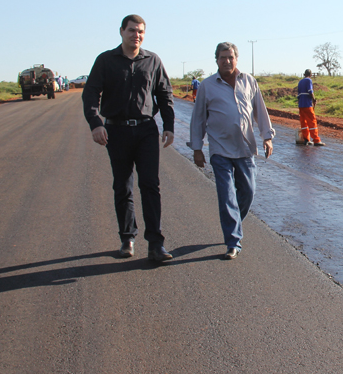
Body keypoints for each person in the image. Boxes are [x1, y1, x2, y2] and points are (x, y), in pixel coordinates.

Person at [83, 14, 176, 262]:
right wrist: (95, 123)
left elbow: (164, 94)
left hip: (146, 130)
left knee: (150, 185)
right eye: (132, 30)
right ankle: (127, 238)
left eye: (141, 31)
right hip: (117, 131)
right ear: (121, 31)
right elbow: (90, 93)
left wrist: (169, 126)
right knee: (123, 185)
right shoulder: (105, 61)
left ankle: (156, 244)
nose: (137, 35)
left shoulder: (152, 60)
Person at [189, 42, 274, 260]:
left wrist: (267, 136)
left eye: (230, 57)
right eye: (222, 57)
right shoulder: (207, 86)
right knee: (226, 194)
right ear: (216, 60)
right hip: (220, 149)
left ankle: (232, 222)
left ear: (236, 59)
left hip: (245, 148)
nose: (227, 61)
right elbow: (198, 119)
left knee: (248, 192)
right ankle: (233, 241)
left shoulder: (249, 81)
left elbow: (260, 110)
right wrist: (197, 149)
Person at [296, 69, 324, 146]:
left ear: (304, 74)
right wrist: (314, 99)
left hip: (301, 105)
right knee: (312, 121)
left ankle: (306, 139)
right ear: (311, 74)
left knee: (304, 122)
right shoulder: (309, 80)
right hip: (307, 105)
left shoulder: (300, 82)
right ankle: (316, 140)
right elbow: (310, 91)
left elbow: (298, 95)